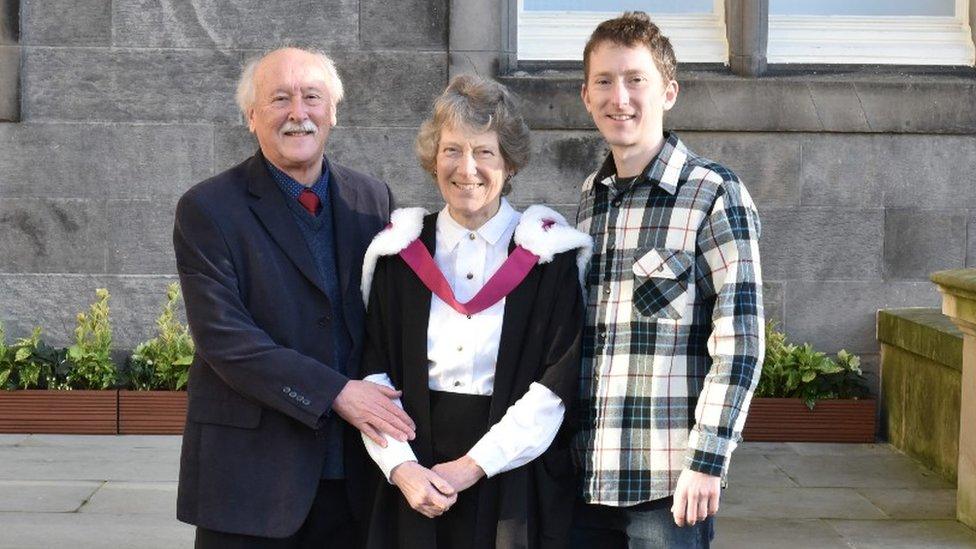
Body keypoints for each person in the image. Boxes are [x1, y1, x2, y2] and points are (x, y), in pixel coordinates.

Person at [173, 46, 416, 548]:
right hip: (249, 481)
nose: (297, 113)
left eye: (311, 97)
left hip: (355, 477)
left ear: (334, 111)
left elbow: (391, 323)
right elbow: (226, 340)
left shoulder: (374, 201)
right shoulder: (207, 208)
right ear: (252, 116)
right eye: (279, 99)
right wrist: (336, 392)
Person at [358, 74, 592, 549]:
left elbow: (556, 386)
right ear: (433, 158)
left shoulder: (549, 258)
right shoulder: (398, 256)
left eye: (484, 151)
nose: (467, 168)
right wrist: (402, 468)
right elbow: (373, 374)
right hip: (415, 465)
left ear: (508, 160)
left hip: (512, 473)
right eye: (452, 150)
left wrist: (470, 467)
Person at [571, 12, 765, 548]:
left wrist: (708, 461)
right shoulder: (591, 198)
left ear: (669, 92)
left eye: (636, 79)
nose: (620, 97)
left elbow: (741, 345)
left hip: (666, 486)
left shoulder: (714, 194)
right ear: (586, 96)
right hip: (583, 479)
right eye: (605, 81)